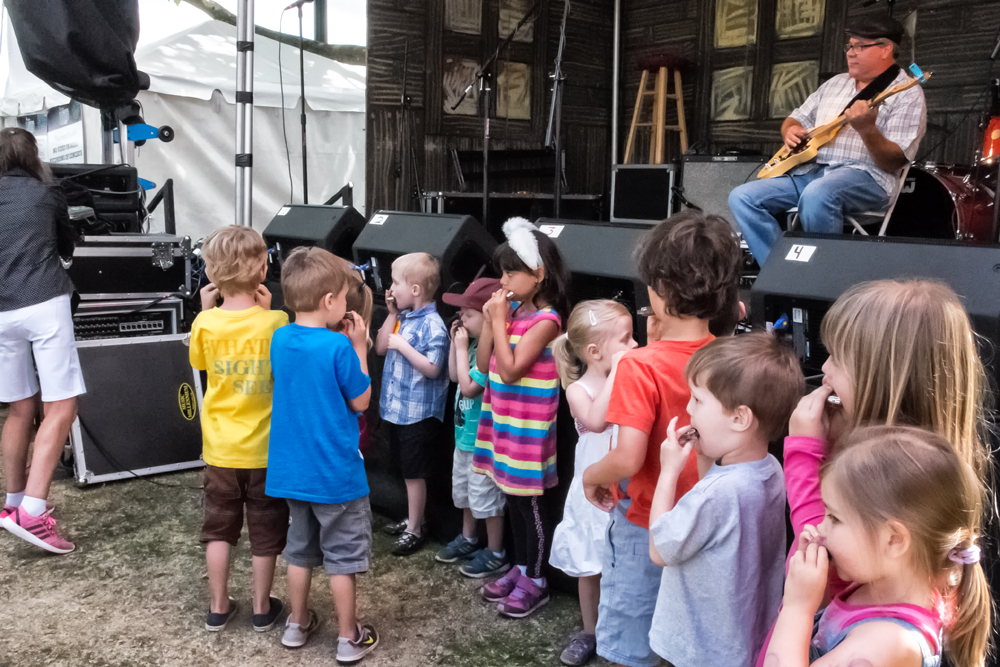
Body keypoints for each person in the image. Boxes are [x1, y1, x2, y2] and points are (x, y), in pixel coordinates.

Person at [753, 278, 991, 667]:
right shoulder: (921, 477)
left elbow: (824, 558)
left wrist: (802, 452)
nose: (824, 367)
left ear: (880, 378)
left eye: (838, 358)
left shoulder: (887, 633)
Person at [581, 211, 742, 667]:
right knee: (681, 639)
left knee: (632, 645)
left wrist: (592, 474)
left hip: (647, 522)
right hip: (707, 522)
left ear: (660, 288)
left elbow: (628, 457)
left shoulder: (640, 365)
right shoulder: (727, 357)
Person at [768, 426, 990, 667]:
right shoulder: (879, 589)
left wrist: (797, 607)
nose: (820, 528)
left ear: (893, 540)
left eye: (834, 518)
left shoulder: (887, 644)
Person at [646, 334, 803, 667]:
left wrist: (668, 471)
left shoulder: (714, 495)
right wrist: (704, 453)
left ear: (739, 419)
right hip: (741, 640)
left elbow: (660, 550)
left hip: (695, 648)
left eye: (698, 401)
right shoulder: (771, 470)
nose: (688, 408)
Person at [729, 16, 926, 266]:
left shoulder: (906, 92)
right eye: (849, 46)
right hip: (811, 171)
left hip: (866, 178)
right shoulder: (834, 84)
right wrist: (790, 130)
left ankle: (819, 281)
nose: (850, 53)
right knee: (742, 197)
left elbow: (893, 162)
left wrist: (867, 130)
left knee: (817, 194)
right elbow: (795, 118)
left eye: (860, 47)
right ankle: (778, 273)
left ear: (886, 48)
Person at [265, 247, 378, 663]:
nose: (347, 305)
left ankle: (296, 623)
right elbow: (361, 401)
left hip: (292, 473)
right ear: (329, 301)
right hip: (336, 476)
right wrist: (360, 348)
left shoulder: (279, 336)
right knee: (342, 559)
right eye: (345, 298)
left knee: (299, 550)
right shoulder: (339, 349)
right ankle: (349, 637)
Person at [188, 225, 289, 632]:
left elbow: (198, 363)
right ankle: (263, 607)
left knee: (218, 528)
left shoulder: (205, 324)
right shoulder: (277, 321)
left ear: (211, 274)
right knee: (266, 529)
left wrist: (203, 310)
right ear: (263, 270)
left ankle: (218, 606)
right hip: (266, 449)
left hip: (220, 450)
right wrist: (264, 316)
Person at [474, 217, 570, 619]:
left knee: (530, 505)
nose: (504, 279)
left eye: (512, 271)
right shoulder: (509, 313)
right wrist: (490, 320)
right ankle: (519, 565)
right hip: (503, 422)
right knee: (511, 500)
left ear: (539, 274)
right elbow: (483, 364)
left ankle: (538, 578)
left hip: (529, 430)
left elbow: (511, 369)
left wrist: (499, 321)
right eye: (503, 270)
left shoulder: (547, 322)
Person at [0, 128, 83, 554]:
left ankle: (13, 503)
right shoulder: (46, 192)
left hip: (1, 311)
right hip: (43, 301)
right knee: (62, 405)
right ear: (33, 155)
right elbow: (67, 244)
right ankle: (33, 511)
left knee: (18, 409)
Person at [551, 300, 637, 666]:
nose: (634, 346)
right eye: (627, 339)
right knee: (591, 564)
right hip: (593, 491)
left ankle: (626, 630)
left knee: (626, 563)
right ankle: (591, 630)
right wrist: (618, 372)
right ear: (594, 352)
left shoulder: (631, 376)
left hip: (628, 487)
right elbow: (598, 421)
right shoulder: (577, 390)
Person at [434, 277, 510, 581]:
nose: (460, 319)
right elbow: (454, 375)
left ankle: (496, 552)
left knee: (487, 499)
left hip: (483, 442)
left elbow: (468, 389)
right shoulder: (473, 346)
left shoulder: (488, 353)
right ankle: (468, 538)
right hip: (463, 439)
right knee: (464, 493)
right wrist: (457, 345)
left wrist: (464, 345)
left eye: (467, 314)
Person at [375, 252, 450, 557]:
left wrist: (404, 347)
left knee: (415, 473)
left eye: (396, 282)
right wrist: (391, 314)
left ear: (416, 290)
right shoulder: (402, 318)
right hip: (396, 410)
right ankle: (412, 517)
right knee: (403, 469)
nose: (391, 289)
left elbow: (434, 368)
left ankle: (416, 528)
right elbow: (380, 348)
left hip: (418, 416)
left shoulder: (433, 326)